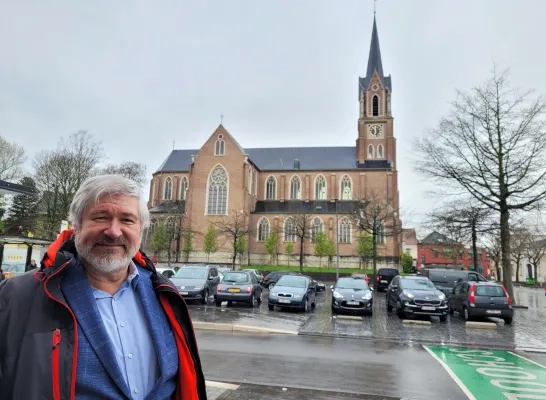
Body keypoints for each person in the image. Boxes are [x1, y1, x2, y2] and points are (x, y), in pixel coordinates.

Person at [0, 174, 207, 399]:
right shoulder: (17, 296)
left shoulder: (165, 295)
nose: (114, 232)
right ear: (77, 226)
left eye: (127, 220)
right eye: (100, 217)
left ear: (141, 230)